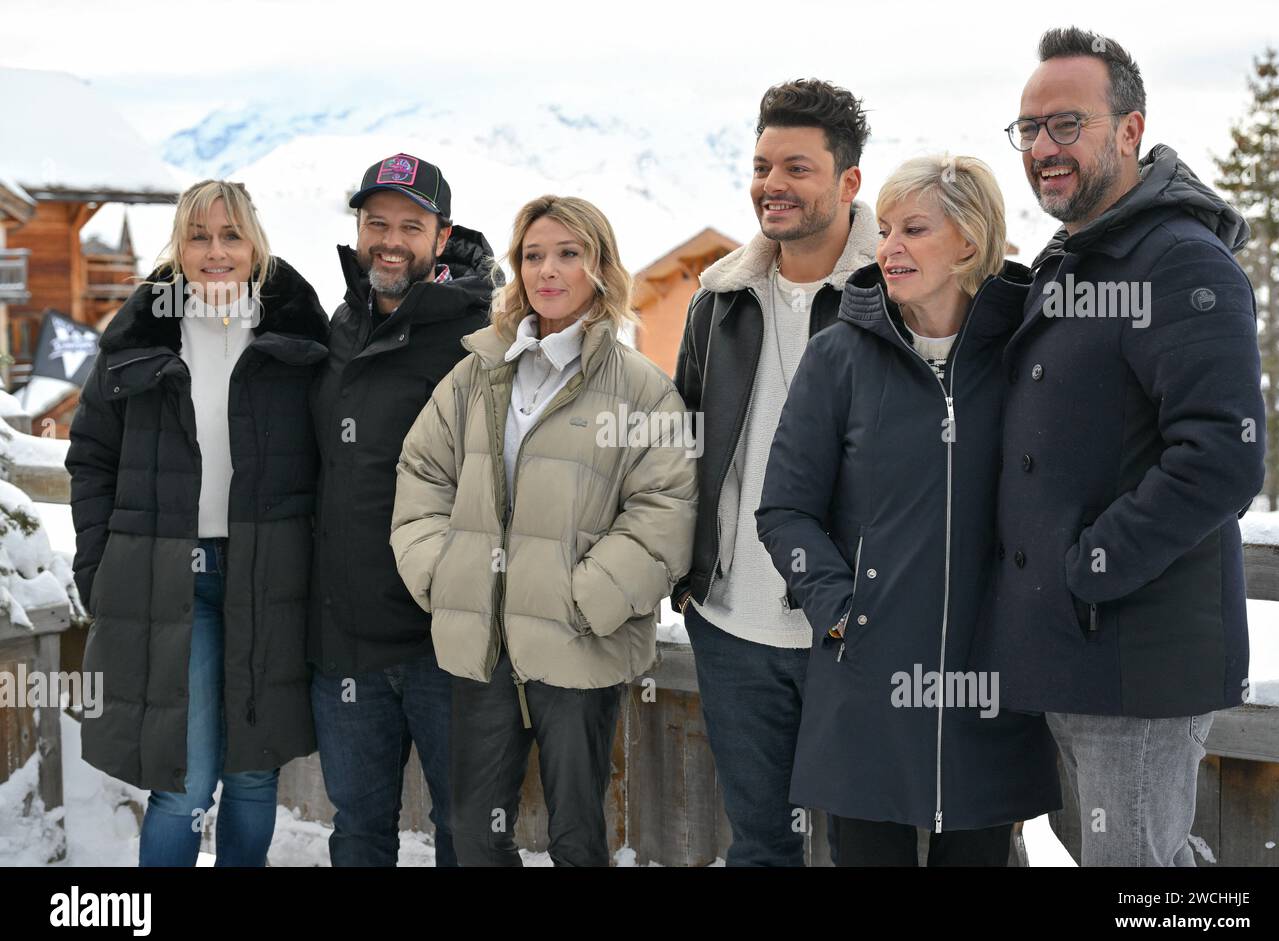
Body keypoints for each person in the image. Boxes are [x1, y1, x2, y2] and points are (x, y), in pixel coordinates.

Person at [975, 27, 1266, 866]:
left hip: (1135, 656)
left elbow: (1222, 455)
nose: (1042, 148)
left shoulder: (1181, 263)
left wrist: (1091, 568)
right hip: (1069, 651)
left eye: (1067, 125)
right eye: (1028, 130)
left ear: (1131, 130)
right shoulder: (1078, 258)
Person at [756, 155, 1060, 866]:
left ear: (969, 241)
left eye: (914, 229)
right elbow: (785, 510)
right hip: (866, 684)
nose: (887, 248)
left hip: (991, 683)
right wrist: (841, 609)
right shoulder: (838, 358)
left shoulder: (1029, 355)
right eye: (885, 229)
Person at [391, 195, 696, 866]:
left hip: (578, 644)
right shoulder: (480, 373)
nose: (548, 270)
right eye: (533, 255)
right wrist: (444, 575)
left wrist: (586, 597)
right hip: (486, 644)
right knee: (473, 832)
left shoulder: (641, 389)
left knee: (576, 839)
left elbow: (664, 512)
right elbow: (421, 472)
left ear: (601, 267)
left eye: (568, 253)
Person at [68, 180, 329, 866]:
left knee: (252, 772)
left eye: (231, 235)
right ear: (179, 247)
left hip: (269, 579)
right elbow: (91, 458)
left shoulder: (298, 340)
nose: (216, 252)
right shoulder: (139, 338)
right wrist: (98, 567)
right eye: (199, 236)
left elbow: (336, 462)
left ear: (255, 245)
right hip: (166, 582)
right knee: (181, 782)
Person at [672, 78, 876, 865]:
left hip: (853, 628)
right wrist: (686, 576)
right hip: (730, 627)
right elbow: (681, 448)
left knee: (874, 844)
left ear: (848, 181)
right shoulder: (718, 301)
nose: (772, 186)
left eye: (797, 167)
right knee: (760, 847)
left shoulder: (888, 292)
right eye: (762, 166)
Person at [308, 153, 495, 866]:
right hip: (346, 638)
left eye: (409, 226)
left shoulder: (480, 337)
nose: (389, 240)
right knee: (357, 829)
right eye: (375, 222)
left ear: (441, 237)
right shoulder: (340, 324)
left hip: (445, 639)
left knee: (465, 828)